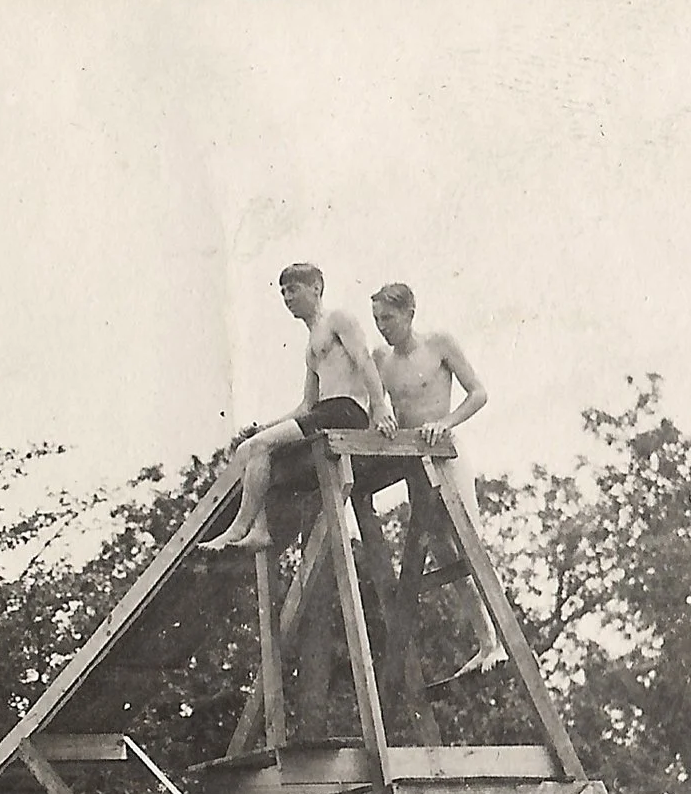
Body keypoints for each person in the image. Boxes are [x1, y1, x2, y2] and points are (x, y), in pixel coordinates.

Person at [197, 264, 395, 552]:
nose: (287, 297)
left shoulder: (337, 320)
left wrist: (379, 408)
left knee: (254, 448)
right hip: (324, 412)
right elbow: (307, 404)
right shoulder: (310, 346)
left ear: (316, 287)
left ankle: (239, 528)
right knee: (253, 449)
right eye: (283, 292)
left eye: (293, 289)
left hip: (346, 411)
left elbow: (364, 359)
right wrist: (267, 428)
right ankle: (260, 530)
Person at [369, 282, 503, 683]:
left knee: (469, 543)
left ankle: (503, 641)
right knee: (443, 554)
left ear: (410, 313)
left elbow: (478, 393)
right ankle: (484, 640)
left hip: (446, 452)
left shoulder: (438, 344)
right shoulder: (382, 360)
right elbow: (375, 404)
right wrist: (381, 417)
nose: (382, 328)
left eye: (388, 319)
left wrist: (445, 423)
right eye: (376, 320)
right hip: (413, 460)